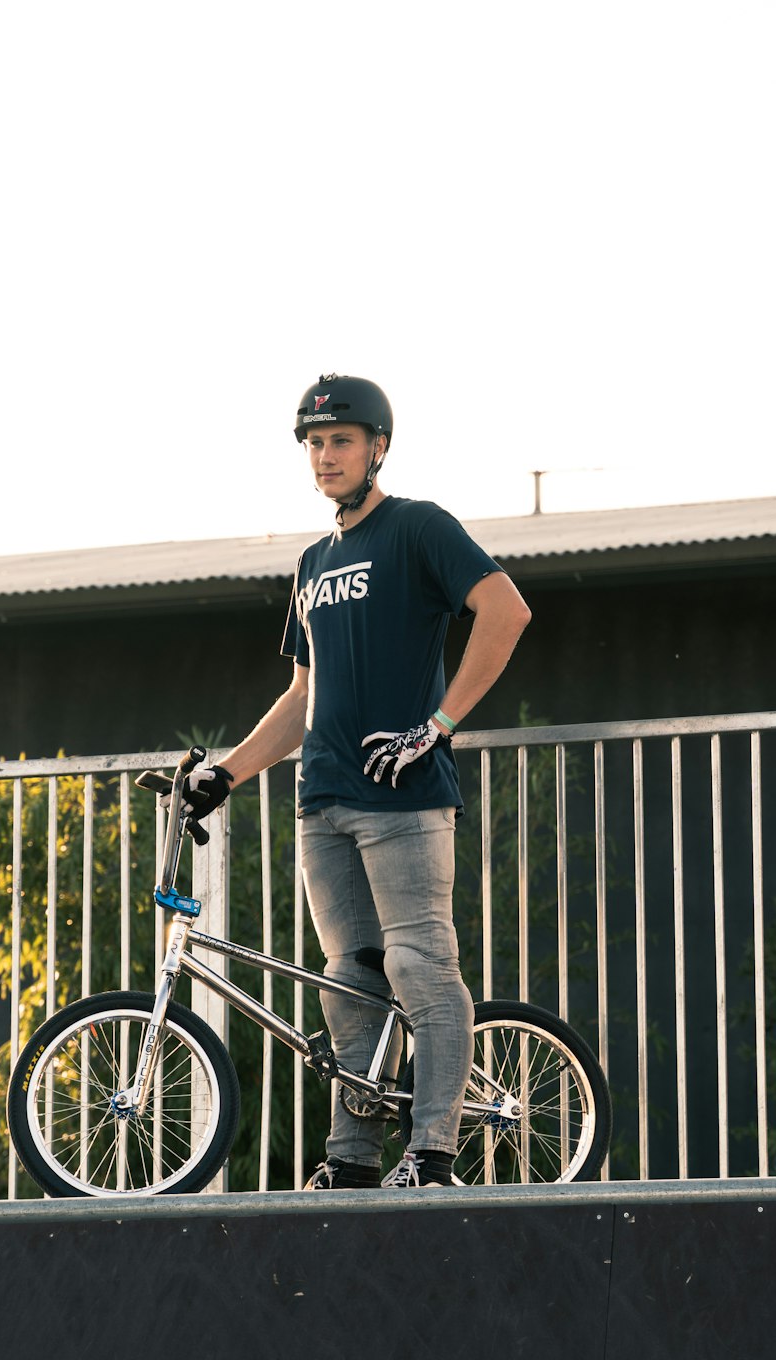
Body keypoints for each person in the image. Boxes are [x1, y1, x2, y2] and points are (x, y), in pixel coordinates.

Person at [183, 374, 531, 1188]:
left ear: (378, 447)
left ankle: (436, 1154)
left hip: (404, 797)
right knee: (350, 984)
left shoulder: (418, 528)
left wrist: (437, 727)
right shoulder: (312, 563)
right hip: (324, 802)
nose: (325, 455)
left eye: (341, 440)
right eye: (314, 443)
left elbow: (506, 611)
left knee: (421, 966)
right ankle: (351, 1161)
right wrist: (225, 774)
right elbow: (302, 696)